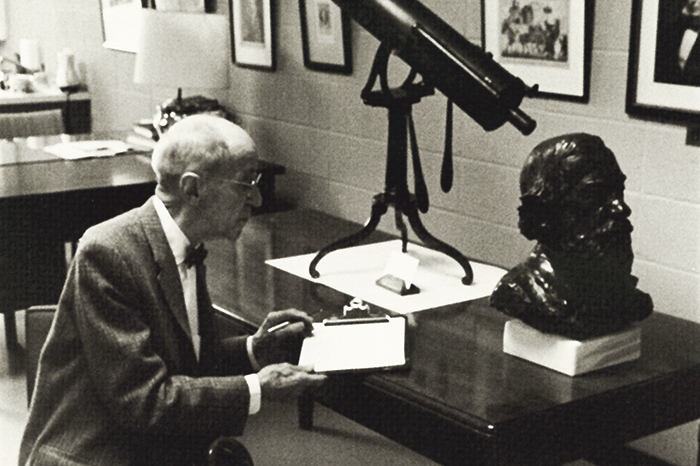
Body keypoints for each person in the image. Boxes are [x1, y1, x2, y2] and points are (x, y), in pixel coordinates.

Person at [19, 115, 327, 466]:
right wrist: (257, 387)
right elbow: (145, 400)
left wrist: (253, 348)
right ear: (192, 189)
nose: (256, 199)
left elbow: (182, 360)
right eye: (245, 184)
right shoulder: (108, 252)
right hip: (99, 453)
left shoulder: (182, 245)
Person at [490, 133, 653, 340]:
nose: (621, 208)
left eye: (618, 192)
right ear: (544, 214)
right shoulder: (522, 291)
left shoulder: (621, 298)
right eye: (594, 195)